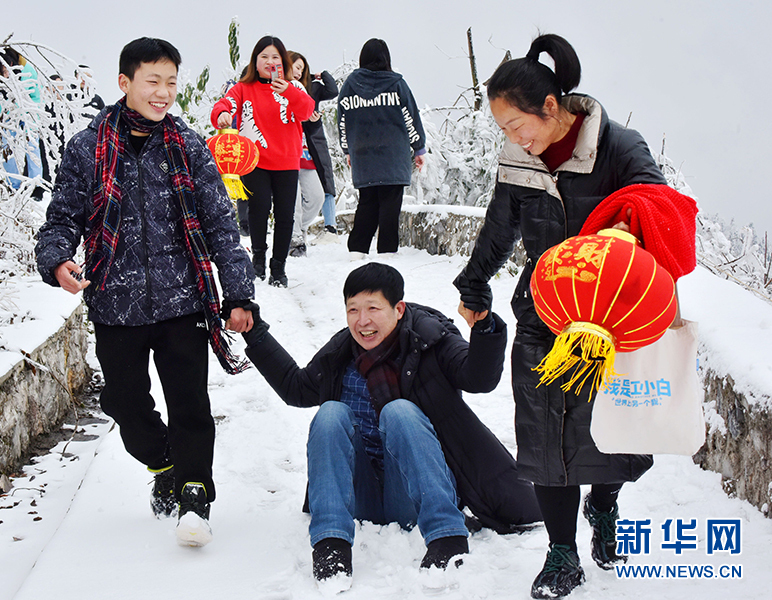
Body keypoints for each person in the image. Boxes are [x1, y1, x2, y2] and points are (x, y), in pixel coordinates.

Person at [452, 34, 668, 599]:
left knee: (610, 431)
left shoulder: (619, 147)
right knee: (545, 435)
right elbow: (500, 223)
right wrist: (475, 281)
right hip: (546, 308)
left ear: (551, 108)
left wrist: (627, 225)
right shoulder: (520, 158)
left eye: (515, 125)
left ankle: (604, 503)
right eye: (502, 130)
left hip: (611, 316)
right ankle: (562, 553)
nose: (512, 139)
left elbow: (662, 209)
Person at [35, 37, 256, 548]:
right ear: (125, 83)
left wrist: (238, 294)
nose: (164, 94)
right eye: (153, 81)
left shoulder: (190, 148)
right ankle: (167, 465)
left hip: (183, 304)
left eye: (171, 83)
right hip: (115, 304)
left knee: (190, 407)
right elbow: (62, 221)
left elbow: (222, 228)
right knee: (127, 408)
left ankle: (195, 499)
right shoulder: (86, 149)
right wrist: (57, 262)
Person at [240, 262, 541, 590]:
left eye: (373, 308)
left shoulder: (430, 340)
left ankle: (446, 536)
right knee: (329, 414)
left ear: (398, 309)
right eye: (353, 309)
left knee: (399, 412)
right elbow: (296, 388)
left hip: (414, 492)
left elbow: (479, 378)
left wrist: (483, 328)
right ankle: (331, 544)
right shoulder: (343, 350)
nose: (362, 321)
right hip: (360, 494)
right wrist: (255, 334)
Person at [211, 36, 315, 287]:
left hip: (288, 161)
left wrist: (287, 91)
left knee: (285, 215)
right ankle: (258, 259)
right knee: (258, 210)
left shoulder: (294, 87)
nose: (270, 62)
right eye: (264, 57)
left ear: (283, 61)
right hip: (255, 160)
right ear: (255, 62)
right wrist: (223, 113)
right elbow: (225, 104)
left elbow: (307, 111)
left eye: (275, 57)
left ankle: (278, 267)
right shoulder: (244, 88)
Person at [337, 39, 426, 258]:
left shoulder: (350, 85)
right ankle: (387, 252)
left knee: (367, 202)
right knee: (390, 205)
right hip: (393, 156)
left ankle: (357, 250)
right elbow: (411, 117)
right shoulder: (397, 84)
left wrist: (347, 149)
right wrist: (419, 148)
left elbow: (343, 119)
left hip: (364, 155)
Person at [287, 51, 339, 256]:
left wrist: (321, 75)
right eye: (295, 66)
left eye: (302, 68)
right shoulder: (276, 89)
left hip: (306, 150)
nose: (298, 71)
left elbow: (333, 91)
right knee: (294, 200)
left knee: (316, 196)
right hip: (286, 151)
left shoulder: (311, 89)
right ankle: (294, 240)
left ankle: (296, 229)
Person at [0, 46, 44, 199]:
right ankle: (13, 185)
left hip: (28, 111)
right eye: (2, 70)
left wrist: (32, 115)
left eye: (7, 69)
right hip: (6, 115)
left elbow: (37, 95)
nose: (6, 74)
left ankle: (36, 185)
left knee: (32, 145)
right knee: (6, 146)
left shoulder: (28, 71)